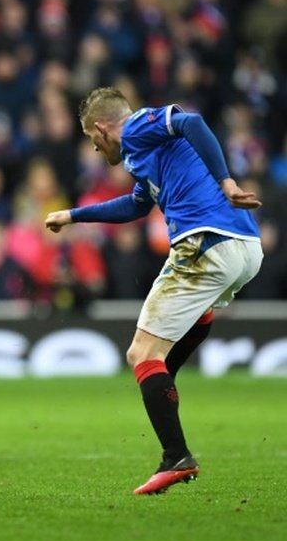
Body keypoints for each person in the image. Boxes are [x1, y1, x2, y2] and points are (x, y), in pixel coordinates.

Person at [44, 87, 263, 495]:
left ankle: (175, 457)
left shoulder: (137, 127)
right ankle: (164, 387)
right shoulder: (145, 157)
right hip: (244, 249)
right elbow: (135, 206)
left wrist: (227, 182)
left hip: (204, 242)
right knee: (164, 353)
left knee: (141, 354)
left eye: (93, 141)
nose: (94, 150)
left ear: (100, 128)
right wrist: (74, 215)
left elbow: (191, 121)